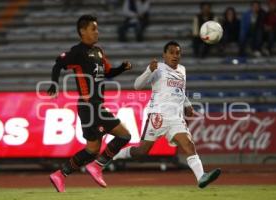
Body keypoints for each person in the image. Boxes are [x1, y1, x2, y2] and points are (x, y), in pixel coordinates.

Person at [88, 41, 221, 188]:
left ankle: (201, 177)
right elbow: (137, 85)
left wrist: (187, 105)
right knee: (141, 152)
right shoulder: (157, 69)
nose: (175, 55)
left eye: (178, 52)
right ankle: (114, 154)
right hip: (157, 117)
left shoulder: (182, 70)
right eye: (171, 52)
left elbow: (180, 92)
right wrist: (148, 71)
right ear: (164, 55)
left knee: (189, 145)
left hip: (176, 119)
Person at [47, 15, 132, 192]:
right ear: (82, 31)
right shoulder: (77, 52)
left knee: (92, 149)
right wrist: (54, 84)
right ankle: (97, 166)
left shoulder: (99, 52)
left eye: (97, 28)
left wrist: (122, 68)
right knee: (124, 135)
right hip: (90, 106)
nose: (96, 32)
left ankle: (60, 175)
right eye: (93, 28)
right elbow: (58, 64)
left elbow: (107, 73)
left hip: (92, 107)